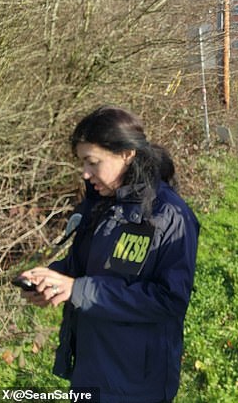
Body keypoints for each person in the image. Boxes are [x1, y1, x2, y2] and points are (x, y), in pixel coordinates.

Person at [17, 106, 199, 403]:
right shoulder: (100, 204)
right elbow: (87, 267)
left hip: (136, 384)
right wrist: (53, 282)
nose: (85, 174)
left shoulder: (169, 215)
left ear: (127, 153)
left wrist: (78, 290)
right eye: (82, 163)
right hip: (90, 369)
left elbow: (169, 300)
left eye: (92, 162)